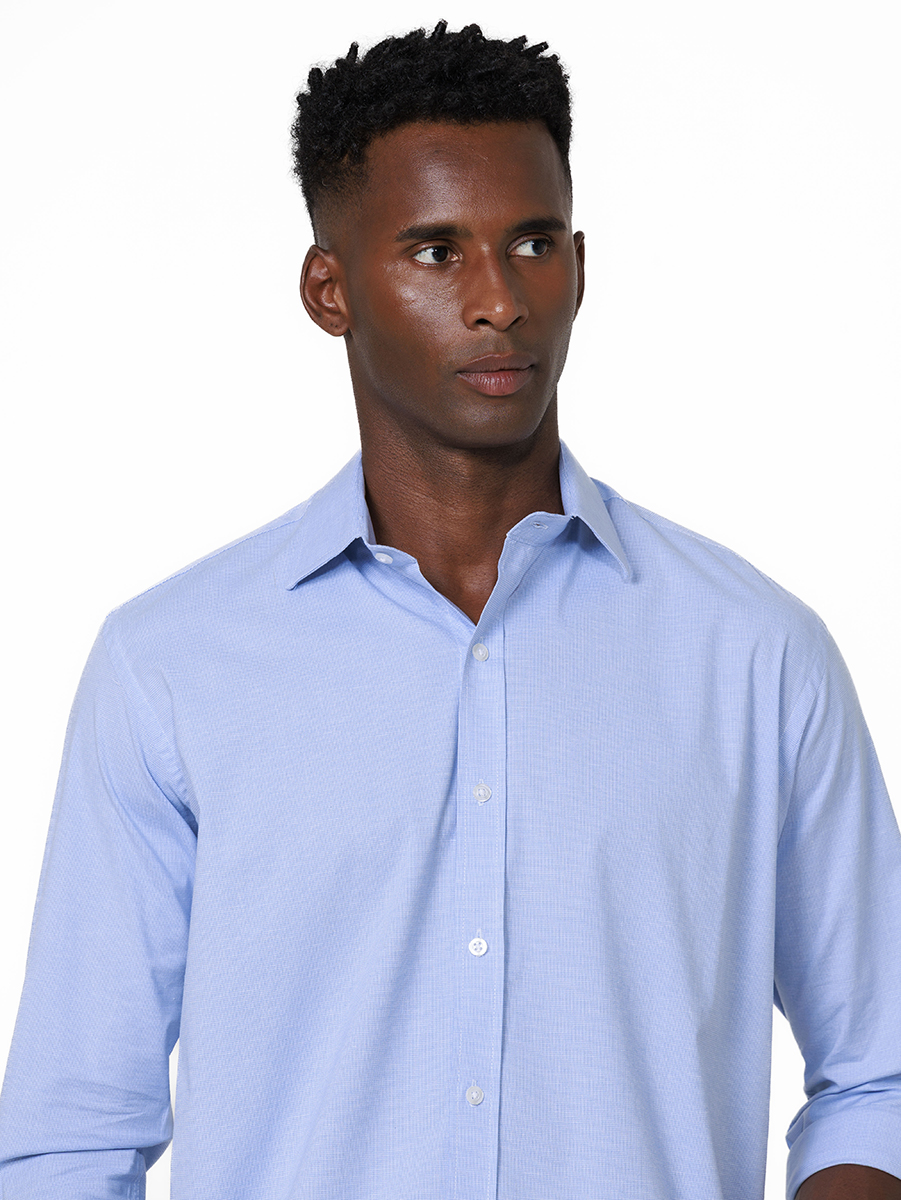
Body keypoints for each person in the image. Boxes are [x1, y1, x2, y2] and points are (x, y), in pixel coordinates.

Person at [0, 20, 899, 1200]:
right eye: (435, 251)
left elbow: (878, 1074)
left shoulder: (754, 656)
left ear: (580, 264)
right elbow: (71, 1139)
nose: (498, 302)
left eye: (532, 243)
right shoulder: (169, 669)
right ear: (330, 289)